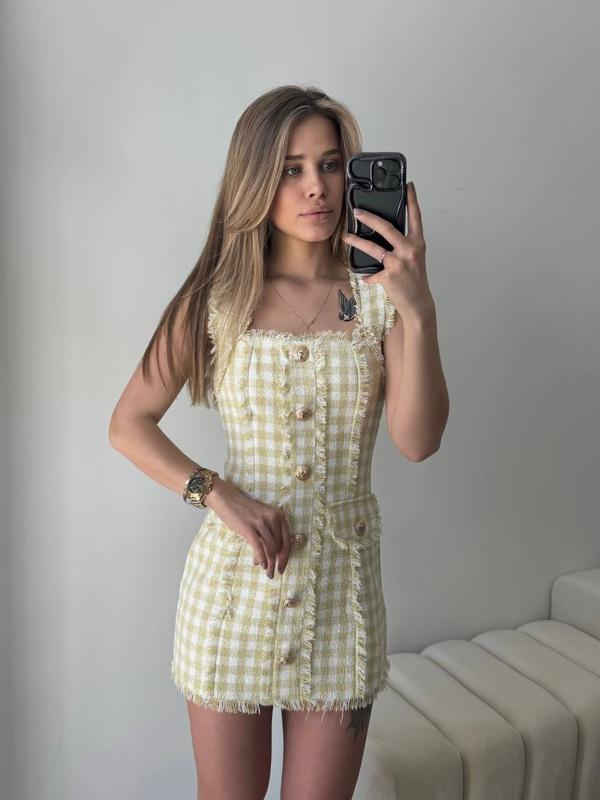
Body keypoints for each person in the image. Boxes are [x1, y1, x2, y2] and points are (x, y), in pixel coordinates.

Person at [108, 84, 448, 800]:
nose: (316, 186)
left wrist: (419, 311)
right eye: (291, 168)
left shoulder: (381, 299)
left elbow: (418, 442)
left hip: (341, 597)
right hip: (234, 592)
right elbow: (128, 423)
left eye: (330, 164)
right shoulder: (216, 297)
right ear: (256, 178)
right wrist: (216, 493)